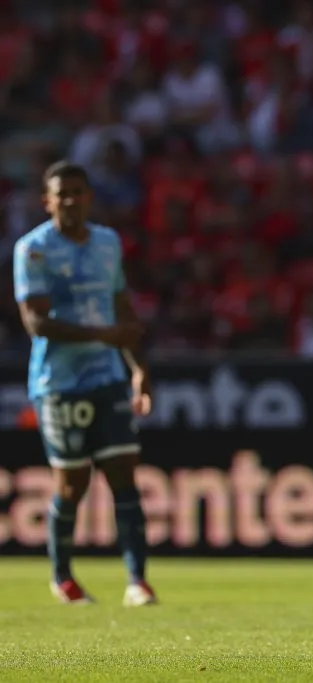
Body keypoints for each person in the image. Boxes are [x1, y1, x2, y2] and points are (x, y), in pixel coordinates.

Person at [12, 161, 156, 606]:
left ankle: (137, 581)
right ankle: (63, 578)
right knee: (71, 484)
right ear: (47, 201)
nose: (71, 200)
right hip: (59, 382)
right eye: (63, 193)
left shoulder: (108, 243)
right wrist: (104, 336)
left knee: (124, 477)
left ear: (90, 196)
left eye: (78, 191)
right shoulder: (33, 249)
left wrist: (138, 367)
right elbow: (36, 322)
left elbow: (119, 305)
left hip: (109, 376)